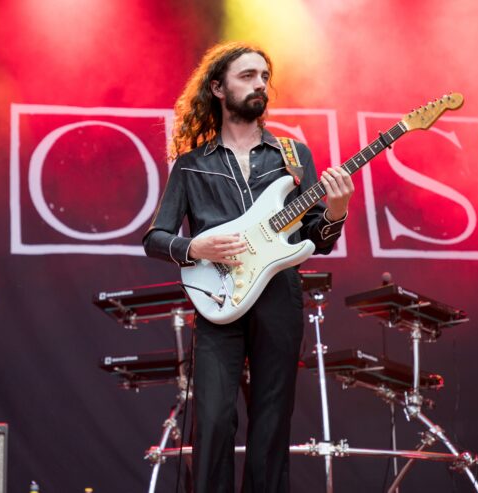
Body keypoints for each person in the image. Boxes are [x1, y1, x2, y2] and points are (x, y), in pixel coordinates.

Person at [143, 42, 354, 492]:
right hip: (219, 297)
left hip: (278, 296)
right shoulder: (192, 165)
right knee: (214, 421)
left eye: (264, 76)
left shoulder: (293, 157)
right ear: (217, 87)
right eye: (247, 75)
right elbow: (155, 238)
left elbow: (316, 240)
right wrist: (196, 245)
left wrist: (335, 211)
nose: (260, 84)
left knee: (272, 424)